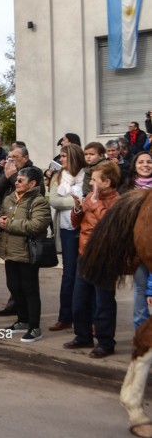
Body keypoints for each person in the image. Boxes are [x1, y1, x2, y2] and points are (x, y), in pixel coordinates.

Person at [64, 161, 122, 358]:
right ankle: (83, 336)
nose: (90, 183)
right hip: (84, 254)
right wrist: (77, 209)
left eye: (95, 180)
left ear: (107, 182)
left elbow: (109, 226)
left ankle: (106, 343)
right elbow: (76, 224)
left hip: (104, 258)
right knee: (79, 301)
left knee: (103, 303)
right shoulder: (90, 196)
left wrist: (96, 204)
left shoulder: (118, 202)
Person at [0, 166, 52, 343]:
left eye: (20, 180)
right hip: (9, 252)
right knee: (14, 287)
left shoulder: (39, 202)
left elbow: (35, 226)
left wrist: (8, 224)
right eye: (16, 179)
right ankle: (23, 321)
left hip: (27, 253)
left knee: (30, 291)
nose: (16, 182)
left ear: (32, 184)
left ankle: (34, 327)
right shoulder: (10, 198)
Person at [46, 143, 85, 332]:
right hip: (67, 229)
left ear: (73, 157)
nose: (60, 159)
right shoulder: (57, 176)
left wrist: (78, 202)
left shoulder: (86, 174)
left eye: (63, 156)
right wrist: (78, 202)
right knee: (69, 274)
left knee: (84, 275)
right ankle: (65, 317)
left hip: (85, 229)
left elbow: (91, 199)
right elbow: (54, 200)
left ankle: (85, 319)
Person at [122, 151, 152, 329]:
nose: (145, 165)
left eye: (149, 162)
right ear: (134, 165)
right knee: (140, 289)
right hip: (137, 248)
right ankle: (140, 329)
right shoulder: (127, 190)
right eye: (141, 162)